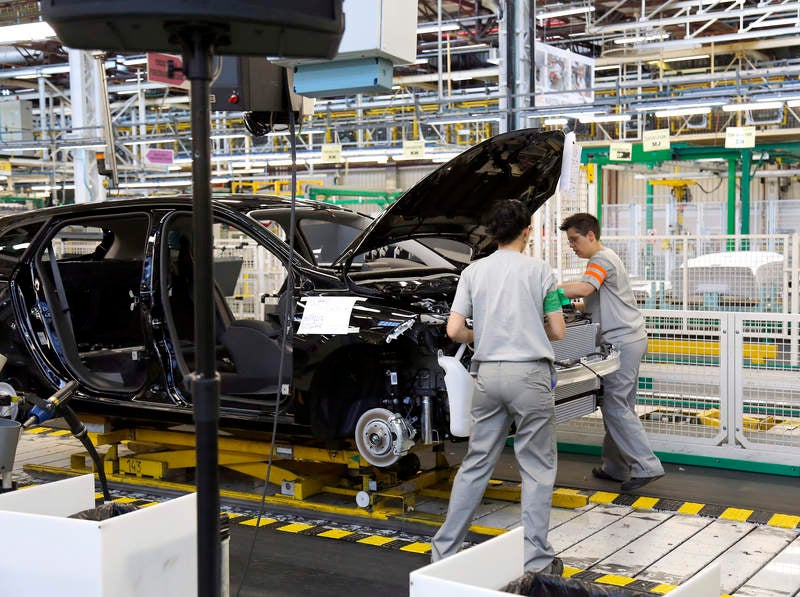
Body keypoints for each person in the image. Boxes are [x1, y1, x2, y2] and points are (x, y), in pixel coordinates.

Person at [431, 199, 566, 577]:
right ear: (527, 232)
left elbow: (454, 331)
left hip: (487, 377)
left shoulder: (473, 272)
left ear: (492, 234)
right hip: (530, 377)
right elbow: (557, 330)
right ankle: (537, 561)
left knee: (476, 463)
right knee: (537, 468)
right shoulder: (540, 271)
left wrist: (485, 333)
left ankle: (444, 553)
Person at [558, 213, 664, 492]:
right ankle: (616, 467)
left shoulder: (600, 260)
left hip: (623, 341)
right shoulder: (605, 259)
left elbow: (584, 288)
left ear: (590, 235)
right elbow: (593, 301)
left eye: (574, 240)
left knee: (615, 404)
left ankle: (646, 466)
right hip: (628, 338)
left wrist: (547, 291)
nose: (572, 246)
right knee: (619, 404)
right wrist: (571, 308)